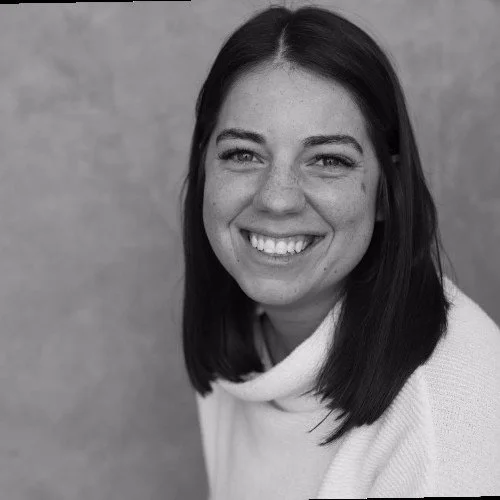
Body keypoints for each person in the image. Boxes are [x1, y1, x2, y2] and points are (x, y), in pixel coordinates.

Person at [177, 4, 500, 499]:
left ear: (387, 192)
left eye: (328, 160)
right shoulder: (238, 338)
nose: (277, 199)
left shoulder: (448, 424)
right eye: (243, 154)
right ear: (204, 170)